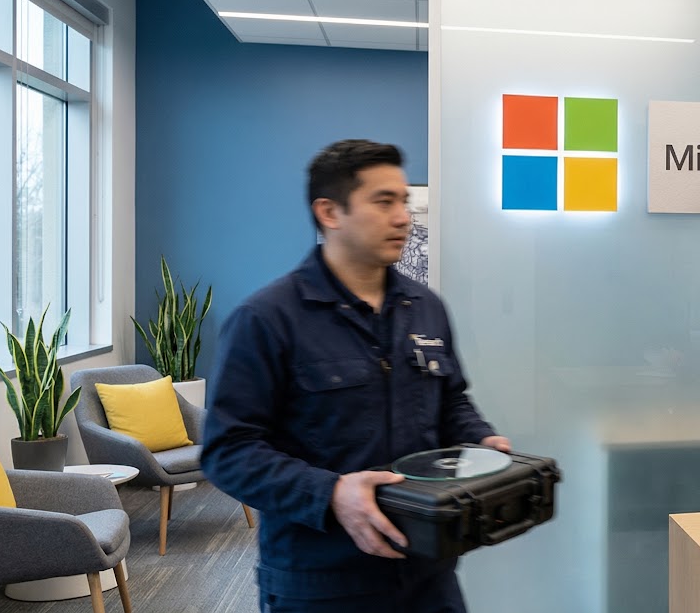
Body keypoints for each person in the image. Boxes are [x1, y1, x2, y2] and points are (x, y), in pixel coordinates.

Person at [202, 140, 509, 613]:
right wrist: (331, 493)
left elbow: (451, 401)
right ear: (330, 212)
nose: (404, 218)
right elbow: (229, 451)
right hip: (322, 582)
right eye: (383, 202)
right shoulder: (266, 319)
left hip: (429, 570)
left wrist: (481, 441)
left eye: (403, 201)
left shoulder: (426, 308)